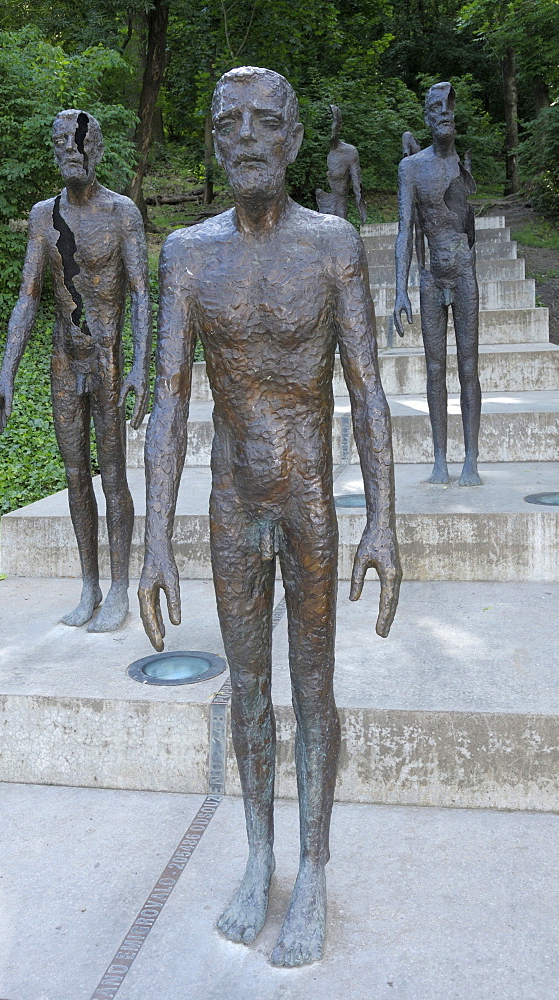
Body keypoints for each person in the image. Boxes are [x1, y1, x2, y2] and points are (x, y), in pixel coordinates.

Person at [138, 67, 401, 967]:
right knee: (247, 690)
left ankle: (314, 868)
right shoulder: (185, 254)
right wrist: (152, 543)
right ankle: (257, 855)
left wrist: (384, 523)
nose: (247, 136)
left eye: (265, 122)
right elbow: (168, 402)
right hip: (231, 504)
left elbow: (367, 392)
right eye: (229, 123)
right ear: (213, 141)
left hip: (308, 504)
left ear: (291, 139)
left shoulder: (331, 245)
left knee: (313, 688)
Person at [0, 109, 151, 631]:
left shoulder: (123, 213)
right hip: (64, 360)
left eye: (78, 140)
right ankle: (89, 585)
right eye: (60, 141)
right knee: (75, 476)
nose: (70, 149)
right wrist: (6, 373)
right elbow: (28, 296)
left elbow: (142, 296)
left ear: (97, 150)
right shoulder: (44, 216)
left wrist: (140, 368)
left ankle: (122, 586)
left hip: (106, 361)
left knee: (114, 478)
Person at [394, 81, 482, 486]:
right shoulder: (412, 168)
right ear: (427, 118)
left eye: (450, 106)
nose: (445, 112)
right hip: (431, 279)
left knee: (467, 367)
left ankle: (471, 460)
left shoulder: (461, 167)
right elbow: (403, 230)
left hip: (463, 274)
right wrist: (399, 290)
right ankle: (440, 460)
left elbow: (469, 228)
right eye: (436, 107)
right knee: (434, 369)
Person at [315, 104, 368, 223]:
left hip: (339, 210)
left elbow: (357, 185)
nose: (330, 128)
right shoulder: (312, 151)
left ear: (339, 125)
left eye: (333, 122)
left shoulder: (349, 152)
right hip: (320, 211)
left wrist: (361, 210)